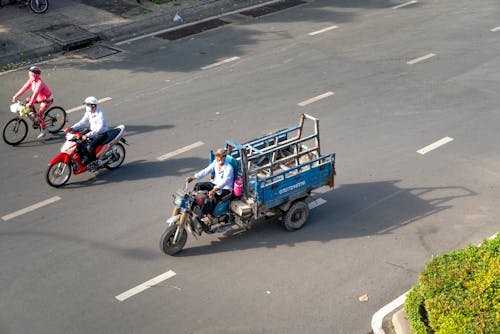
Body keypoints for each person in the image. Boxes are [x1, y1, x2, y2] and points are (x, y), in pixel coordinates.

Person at [187, 148, 234, 221]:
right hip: (215, 183)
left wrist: (214, 189)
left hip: (225, 189)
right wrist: (194, 177)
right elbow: (206, 171)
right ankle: (195, 204)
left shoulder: (229, 168)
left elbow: (225, 181)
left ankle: (208, 215)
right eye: (216, 156)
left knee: (211, 198)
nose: (217, 158)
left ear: (224, 158)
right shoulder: (216, 162)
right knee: (199, 185)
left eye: (219, 157)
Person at [66, 96, 108, 170]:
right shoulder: (89, 112)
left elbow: (98, 129)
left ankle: (95, 163)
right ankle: (84, 158)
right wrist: (72, 128)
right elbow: (82, 122)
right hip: (92, 131)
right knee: (78, 141)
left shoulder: (100, 114)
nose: (86, 106)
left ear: (93, 105)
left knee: (90, 147)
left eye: (88, 105)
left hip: (101, 134)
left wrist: (87, 135)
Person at [12, 66, 53, 139]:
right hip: (38, 98)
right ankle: (34, 117)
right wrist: (16, 95)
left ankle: (44, 130)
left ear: (35, 74)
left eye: (31, 74)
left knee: (39, 114)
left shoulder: (40, 83)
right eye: (30, 73)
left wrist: (30, 104)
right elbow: (24, 87)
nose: (30, 75)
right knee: (27, 100)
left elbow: (35, 94)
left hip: (46, 100)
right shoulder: (32, 80)